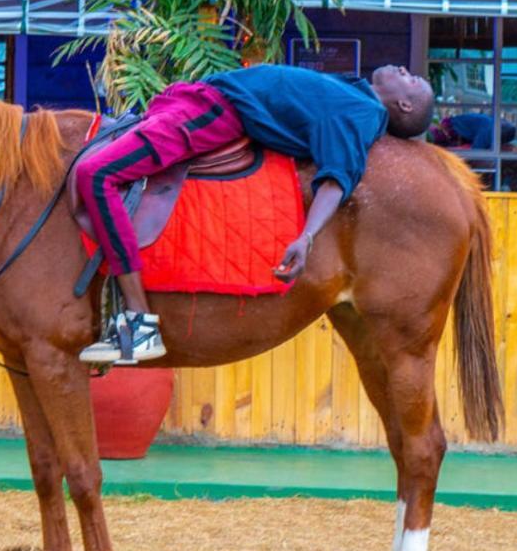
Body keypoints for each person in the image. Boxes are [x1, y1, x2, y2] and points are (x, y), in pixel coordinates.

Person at [74, 64, 435, 364]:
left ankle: (138, 323)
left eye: (412, 79)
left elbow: (338, 178)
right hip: (197, 101)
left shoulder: (363, 112)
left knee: (96, 174)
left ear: (403, 104)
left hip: (213, 112)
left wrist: (306, 237)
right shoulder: (354, 90)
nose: (405, 69)